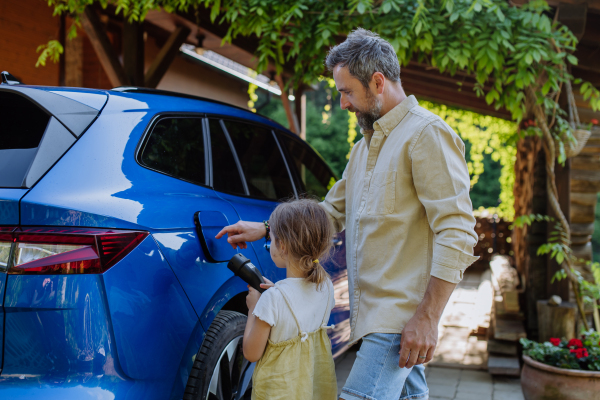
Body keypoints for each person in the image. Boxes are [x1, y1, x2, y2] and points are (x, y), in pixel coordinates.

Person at [217, 28, 478, 400]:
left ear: (377, 82)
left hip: (398, 318)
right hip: (376, 319)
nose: (342, 103)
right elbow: (330, 212)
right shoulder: (363, 150)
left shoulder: (427, 135)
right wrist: (266, 227)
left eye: (346, 91)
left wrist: (428, 318)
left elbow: (458, 232)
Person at [242, 198, 337, 400]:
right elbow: (302, 306)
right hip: (312, 390)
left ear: (282, 245)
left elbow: (251, 353)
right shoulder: (326, 285)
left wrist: (254, 307)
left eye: (272, 238)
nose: (270, 244)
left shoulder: (272, 300)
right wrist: (277, 292)